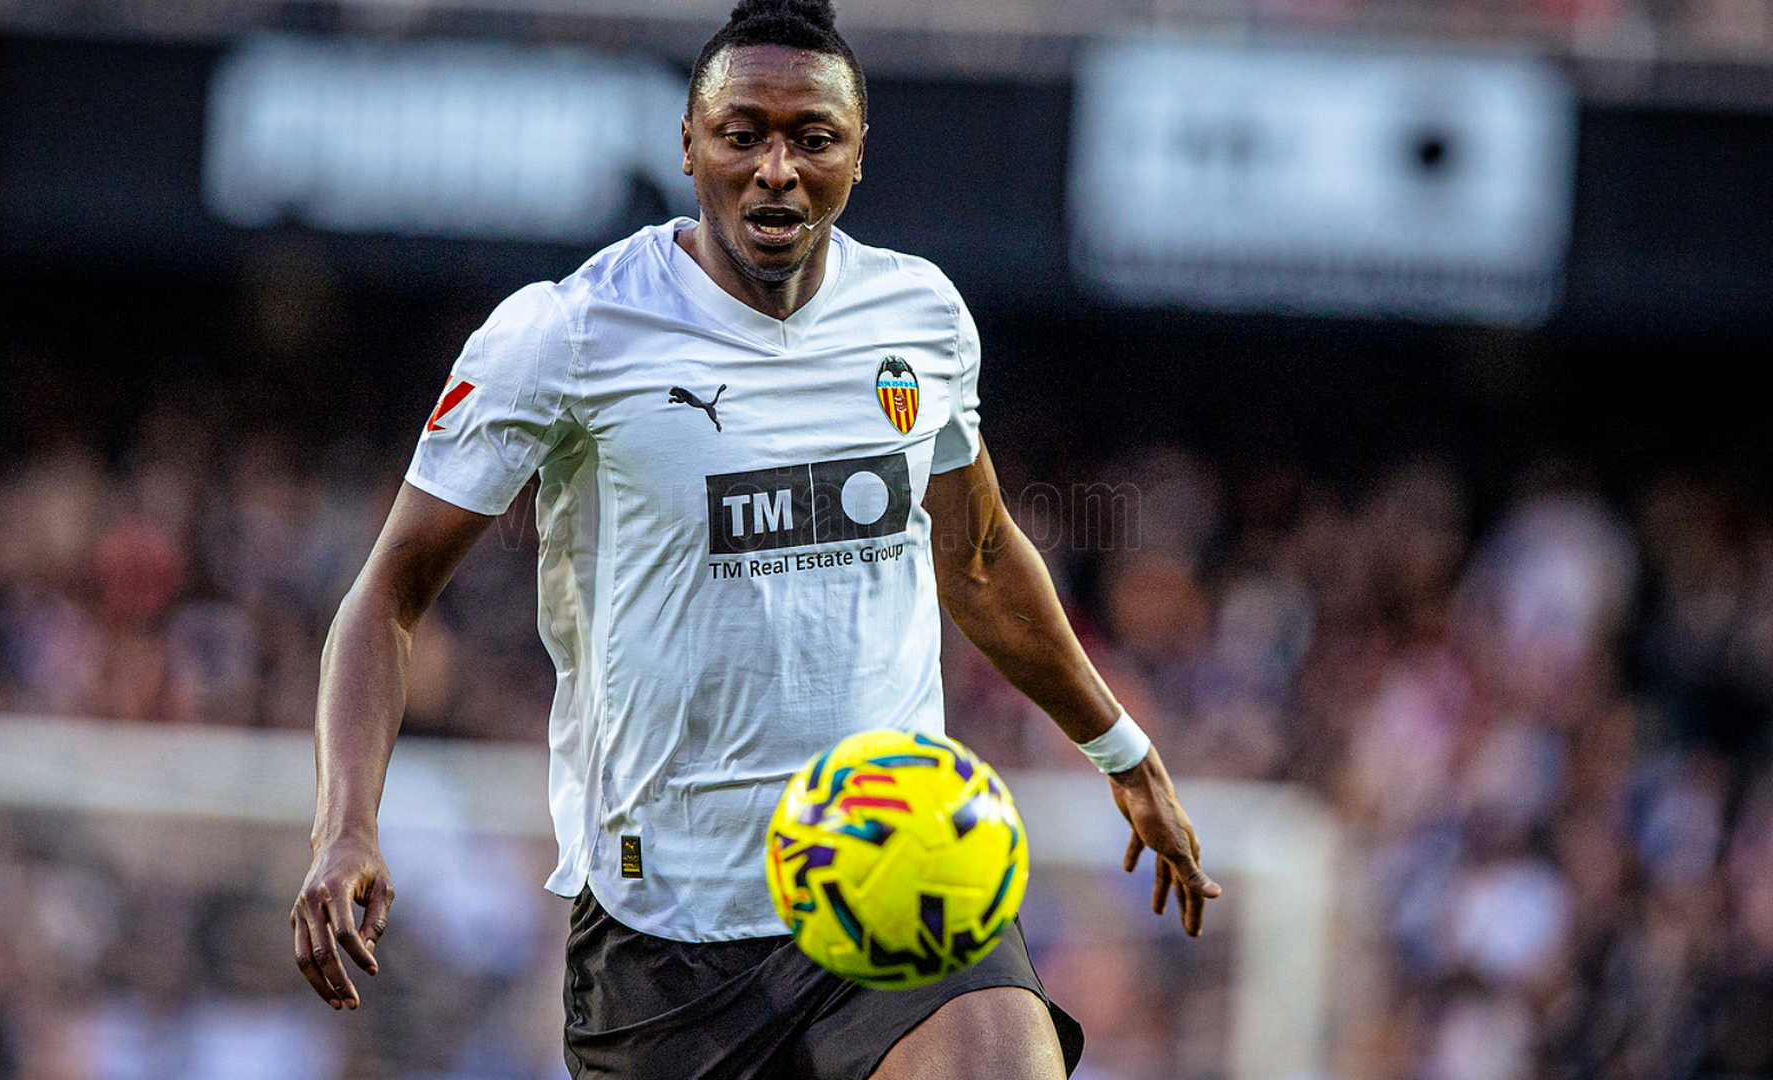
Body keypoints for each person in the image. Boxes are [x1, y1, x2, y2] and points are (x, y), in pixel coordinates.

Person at [290, 0, 1221, 1075]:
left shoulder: (919, 316)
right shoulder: (568, 333)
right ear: (689, 144)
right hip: (665, 931)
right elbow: (388, 596)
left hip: (897, 863)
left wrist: (1123, 749)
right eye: (743, 134)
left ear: (858, 155)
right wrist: (345, 825)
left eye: (812, 138)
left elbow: (974, 555)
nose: (777, 168)